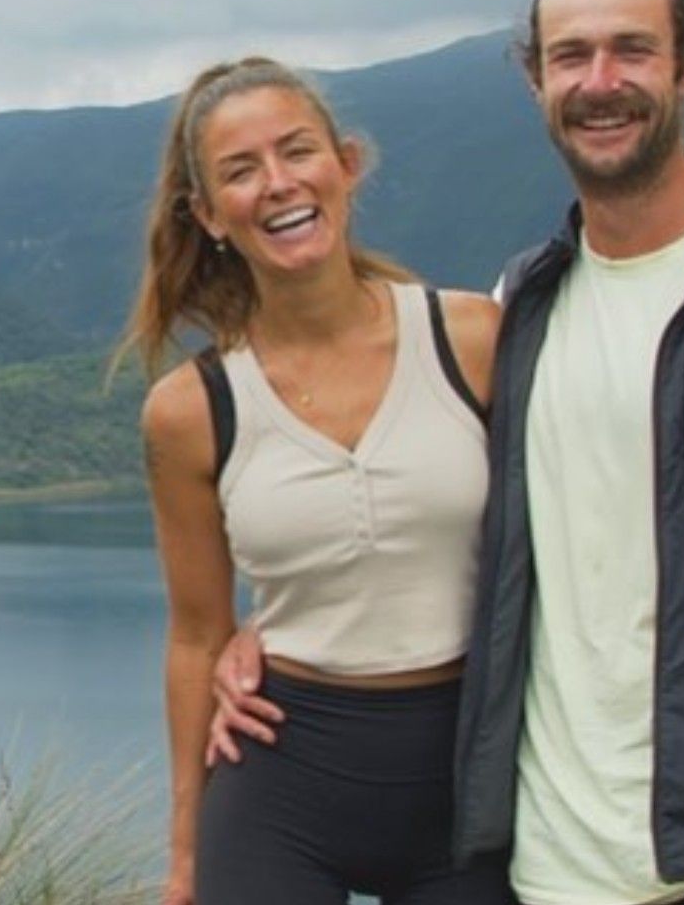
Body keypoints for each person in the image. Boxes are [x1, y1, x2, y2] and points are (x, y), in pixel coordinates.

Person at [214, 0, 684, 905]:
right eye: (571, 56)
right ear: (536, 79)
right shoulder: (525, 302)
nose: (601, 83)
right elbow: (425, 505)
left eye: (631, 51)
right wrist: (262, 632)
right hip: (551, 864)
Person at [120, 56, 516, 904]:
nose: (277, 184)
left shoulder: (473, 340)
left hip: (469, 777)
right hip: (283, 773)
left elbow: (597, 490)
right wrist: (184, 860)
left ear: (345, 165)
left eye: (297, 151)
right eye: (239, 171)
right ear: (209, 215)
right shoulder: (192, 410)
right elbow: (196, 635)